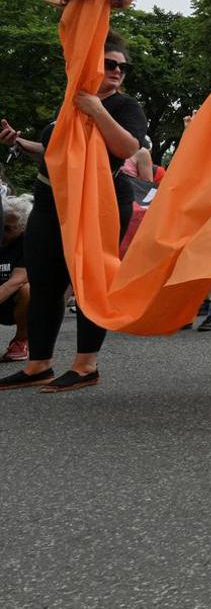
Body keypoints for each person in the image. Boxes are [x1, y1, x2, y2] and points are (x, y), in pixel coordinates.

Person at [0, 34, 146, 393]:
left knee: (92, 283)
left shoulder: (125, 106)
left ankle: (86, 365)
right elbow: (55, 151)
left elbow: (127, 147)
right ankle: (39, 364)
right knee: (45, 281)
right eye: (109, 64)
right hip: (51, 200)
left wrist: (96, 108)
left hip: (101, 200)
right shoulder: (69, 103)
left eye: (122, 67)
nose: (117, 71)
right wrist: (17, 141)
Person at [1, 190, 31, 362]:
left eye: (8, 229)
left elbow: (17, 280)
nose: (2, 233)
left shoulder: (27, 242)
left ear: (21, 229)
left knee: (27, 289)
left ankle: (20, 341)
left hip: (13, 304)